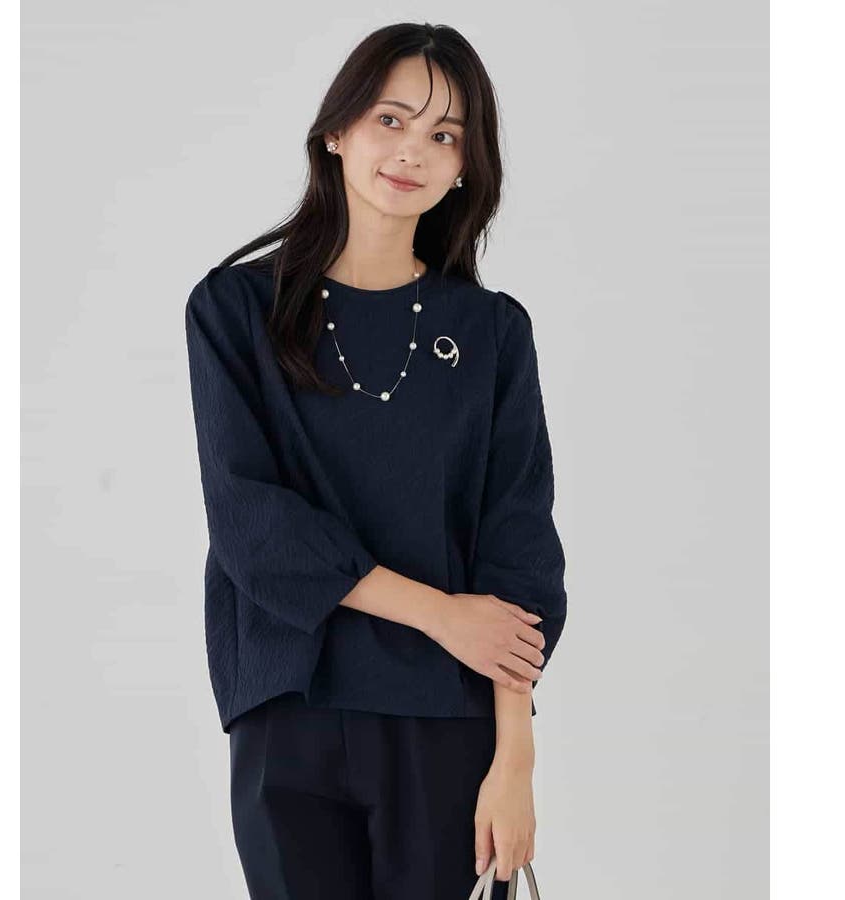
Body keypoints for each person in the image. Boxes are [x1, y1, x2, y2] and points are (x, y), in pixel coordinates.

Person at [184, 22, 568, 900]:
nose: (412, 151)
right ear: (337, 129)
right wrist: (440, 614)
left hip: (448, 719)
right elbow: (252, 523)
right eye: (390, 119)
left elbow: (517, 549)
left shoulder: (492, 332)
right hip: (290, 707)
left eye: (444, 134)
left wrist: (516, 758)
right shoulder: (235, 310)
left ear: (467, 165)